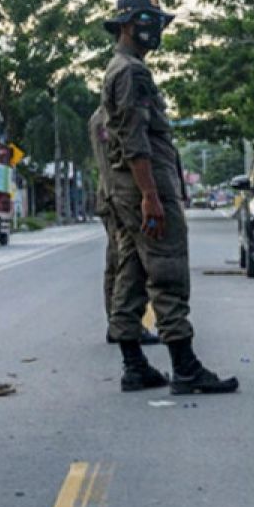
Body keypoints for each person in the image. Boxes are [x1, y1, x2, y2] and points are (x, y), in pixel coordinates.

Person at [101, 0, 238, 395]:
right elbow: (134, 136)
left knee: (134, 271)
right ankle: (185, 367)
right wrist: (150, 195)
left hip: (127, 188)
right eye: (148, 20)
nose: (155, 28)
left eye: (158, 20)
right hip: (145, 185)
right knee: (167, 269)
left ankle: (134, 365)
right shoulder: (131, 73)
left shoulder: (120, 68)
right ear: (126, 24)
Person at [89, 106, 159, 347]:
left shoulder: (106, 117)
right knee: (124, 262)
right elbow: (113, 165)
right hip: (118, 198)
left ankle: (119, 323)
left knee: (118, 261)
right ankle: (122, 324)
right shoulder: (106, 119)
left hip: (115, 198)